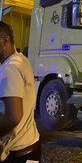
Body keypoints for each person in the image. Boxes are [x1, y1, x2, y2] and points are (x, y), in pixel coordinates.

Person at [0, 21, 41, 162]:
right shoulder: (21, 59)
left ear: (5, 40)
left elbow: (13, 117)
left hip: (18, 154)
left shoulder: (10, 68)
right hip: (31, 146)